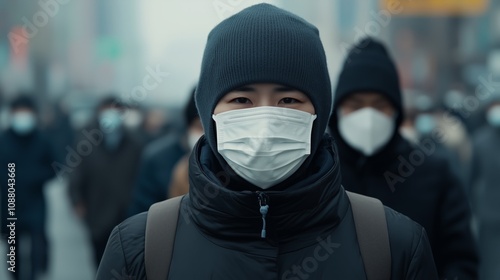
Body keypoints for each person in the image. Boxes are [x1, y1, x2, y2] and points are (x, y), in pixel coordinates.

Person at [96, 4, 438, 279]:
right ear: (208, 112)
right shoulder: (141, 248)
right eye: (241, 100)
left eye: (288, 101)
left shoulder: (393, 245)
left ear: (318, 115)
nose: (265, 121)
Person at [328, 37, 478, 279]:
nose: (368, 115)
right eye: (355, 105)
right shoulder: (318, 172)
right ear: (338, 111)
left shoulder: (434, 175)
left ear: (396, 110)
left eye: (379, 105)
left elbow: (460, 259)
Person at [68, 96, 143, 268]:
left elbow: (141, 177)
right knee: (100, 262)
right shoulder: (86, 141)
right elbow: (76, 173)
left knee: (128, 263)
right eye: (106, 110)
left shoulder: (134, 143)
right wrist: (76, 200)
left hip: (127, 213)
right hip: (97, 211)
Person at [0, 95, 56, 280]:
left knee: (36, 245)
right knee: (12, 247)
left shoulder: (42, 139)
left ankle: (34, 275)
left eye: (26, 112)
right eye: (19, 112)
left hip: (35, 202)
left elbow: (55, 167)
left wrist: (35, 177)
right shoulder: (3, 140)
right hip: (9, 202)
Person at [127, 88, 200, 215]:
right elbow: (141, 211)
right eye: (200, 126)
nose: (205, 135)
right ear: (188, 124)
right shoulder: (157, 157)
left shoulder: (229, 159)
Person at [469, 95, 500, 280]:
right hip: (489, 212)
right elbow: (471, 178)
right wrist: (474, 207)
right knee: (488, 262)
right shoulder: (480, 140)